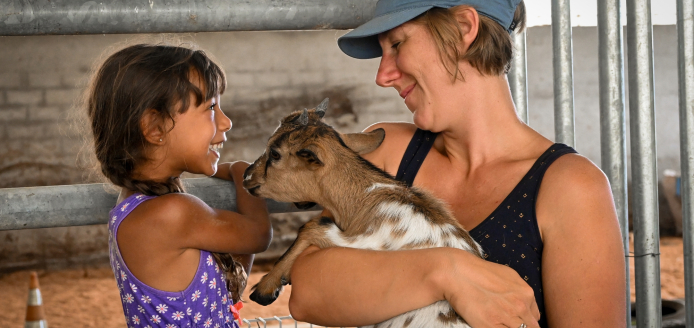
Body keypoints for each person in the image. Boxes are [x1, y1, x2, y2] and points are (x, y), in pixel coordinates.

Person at [287, 1, 626, 327]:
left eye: (397, 43)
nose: (383, 75)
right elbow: (307, 293)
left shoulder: (569, 187)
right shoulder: (388, 151)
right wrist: (445, 272)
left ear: (464, 28)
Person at [86, 44, 272, 327]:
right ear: (155, 128)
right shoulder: (174, 212)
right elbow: (258, 235)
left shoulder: (138, 205)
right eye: (211, 107)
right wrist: (244, 174)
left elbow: (228, 292)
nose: (226, 122)